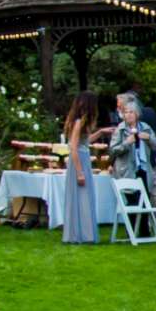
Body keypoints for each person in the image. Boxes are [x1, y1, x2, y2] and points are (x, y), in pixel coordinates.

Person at [59, 95, 101, 246]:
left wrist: (101, 132)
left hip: (83, 159)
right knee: (81, 197)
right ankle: (80, 233)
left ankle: (85, 233)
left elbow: (85, 141)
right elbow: (74, 148)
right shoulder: (77, 123)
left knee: (84, 197)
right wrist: (79, 172)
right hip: (79, 161)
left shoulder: (80, 123)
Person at [104, 93, 156, 185]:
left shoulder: (145, 127)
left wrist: (149, 138)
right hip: (127, 171)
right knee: (131, 197)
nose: (128, 115)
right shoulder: (120, 129)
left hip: (144, 168)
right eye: (126, 112)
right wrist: (127, 143)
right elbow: (112, 151)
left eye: (131, 112)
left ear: (137, 114)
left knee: (145, 195)